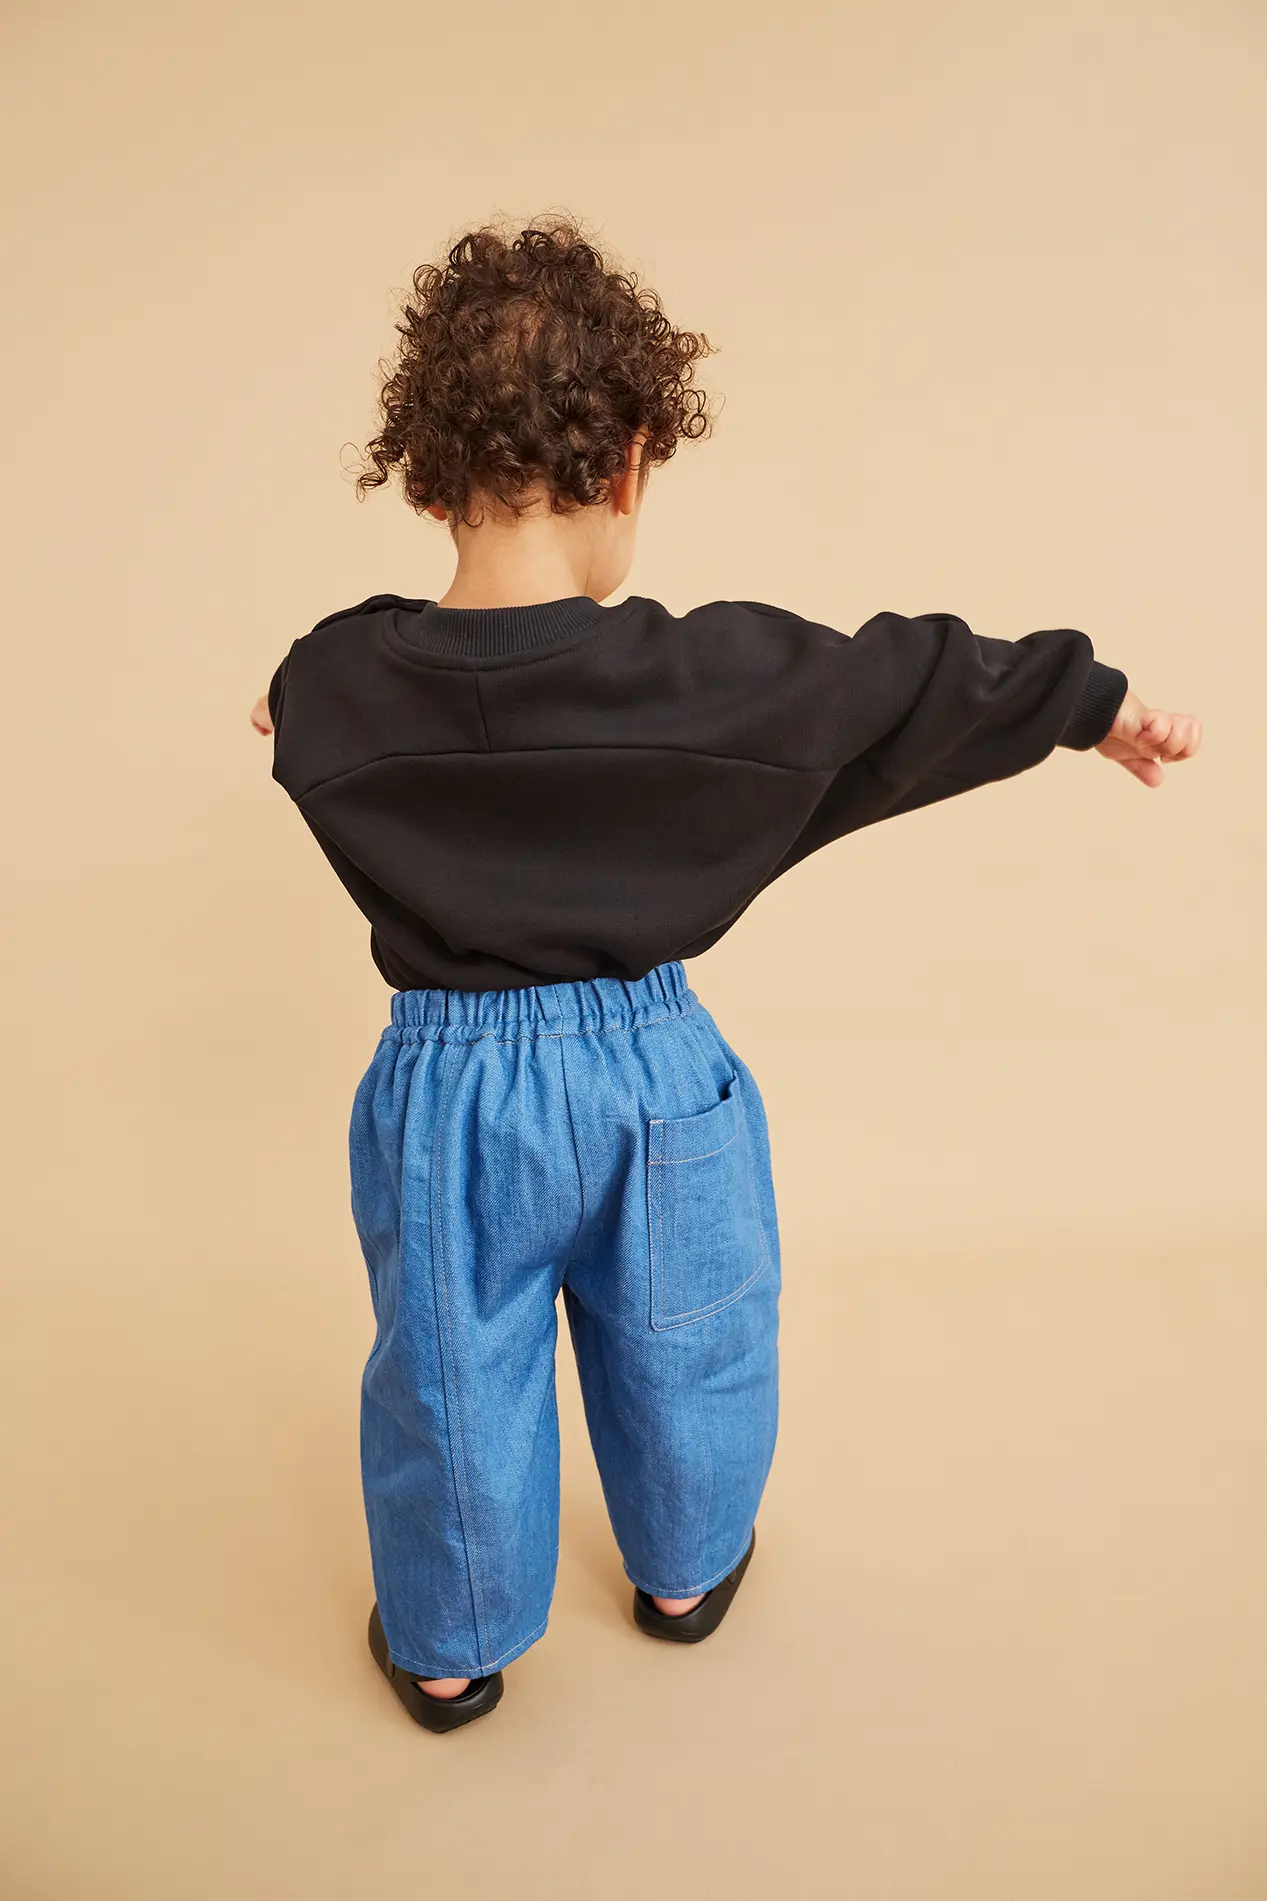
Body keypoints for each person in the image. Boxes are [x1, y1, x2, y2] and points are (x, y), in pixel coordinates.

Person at [251, 215, 1202, 1733]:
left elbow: (306, 688)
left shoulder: (336, 687)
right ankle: (685, 1571)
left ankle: (447, 1645)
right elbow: (904, 679)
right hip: (650, 1073)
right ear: (629, 463)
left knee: (449, 1368)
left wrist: (307, 692)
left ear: (423, 474)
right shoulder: (715, 680)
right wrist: (1085, 702)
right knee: (690, 1329)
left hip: (444, 1098)